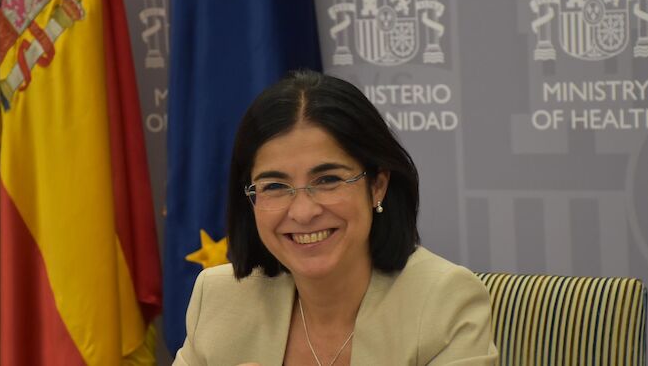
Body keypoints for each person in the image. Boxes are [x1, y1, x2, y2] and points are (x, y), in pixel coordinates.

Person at [173, 70, 498, 365]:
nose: (303, 212)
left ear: (377, 186)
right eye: (275, 186)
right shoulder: (219, 297)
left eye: (328, 180)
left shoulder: (444, 301)